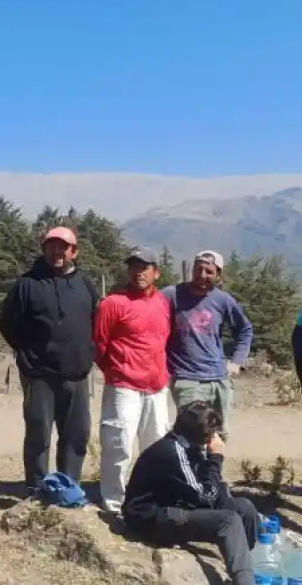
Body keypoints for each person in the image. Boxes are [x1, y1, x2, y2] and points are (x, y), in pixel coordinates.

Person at [0, 226, 98, 492]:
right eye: (51, 246)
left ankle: (68, 486)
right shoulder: (27, 284)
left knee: (76, 434)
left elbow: (95, 320)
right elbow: (8, 324)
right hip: (39, 374)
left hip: (76, 373)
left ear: (74, 252)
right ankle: (37, 487)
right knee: (38, 433)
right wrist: (27, 355)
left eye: (63, 247)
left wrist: (87, 354)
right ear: (44, 250)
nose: (57, 252)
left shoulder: (85, 284)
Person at [123, 401, 258, 585]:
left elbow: (208, 488)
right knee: (229, 521)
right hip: (152, 517)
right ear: (202, 436)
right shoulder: (173, 451)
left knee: (244, 509)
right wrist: (216, 458)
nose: (217, 436)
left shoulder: (189, 445)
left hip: (178, 502)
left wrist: (224, 496)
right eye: (213, 432)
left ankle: (244, 570)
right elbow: (205, 497)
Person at [94, 248, 171, 513]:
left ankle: (149, 499)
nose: (138, 273)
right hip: (123, 386)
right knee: (119, 444)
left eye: (144, 267)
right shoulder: (112, 304)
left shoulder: (163, 303)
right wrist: (115, 370)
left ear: (156, 272)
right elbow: (99, 343)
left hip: (157, 387)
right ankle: (114, 502)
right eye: (134, 267)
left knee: (156, 446)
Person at [161, 250, 253, 440]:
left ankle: (214, 461)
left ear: (218, 275)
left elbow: (245, 329)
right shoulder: (172, 295)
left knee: (219, 435)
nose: (202, 275)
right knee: (192, 435)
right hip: (186, 378)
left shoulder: (223, 300)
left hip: (219, 379)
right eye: (199, 269)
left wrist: (237, 360)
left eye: (209, 271)